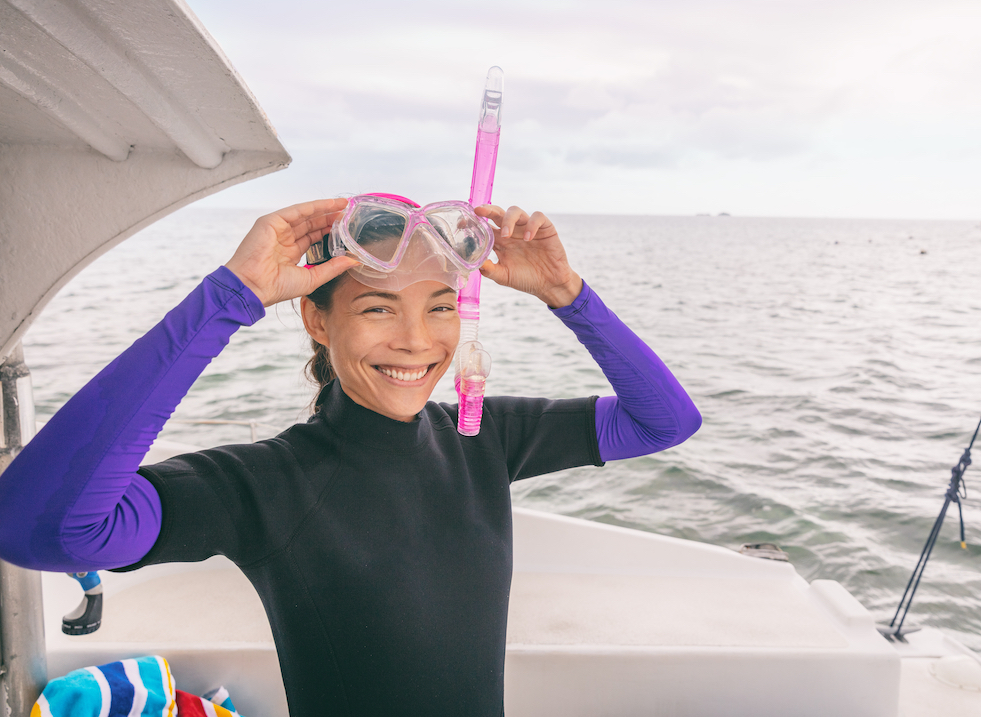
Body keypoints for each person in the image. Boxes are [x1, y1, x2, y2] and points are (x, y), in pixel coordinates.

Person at [0, 197, 702, 716]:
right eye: (376, 309)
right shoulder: (268, 483)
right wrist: (229, 299)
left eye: (440, 305)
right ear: (316, 317)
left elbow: (663, 421)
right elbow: (42, 528)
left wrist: (567, 295)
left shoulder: (480, 434)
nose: (416, 340)